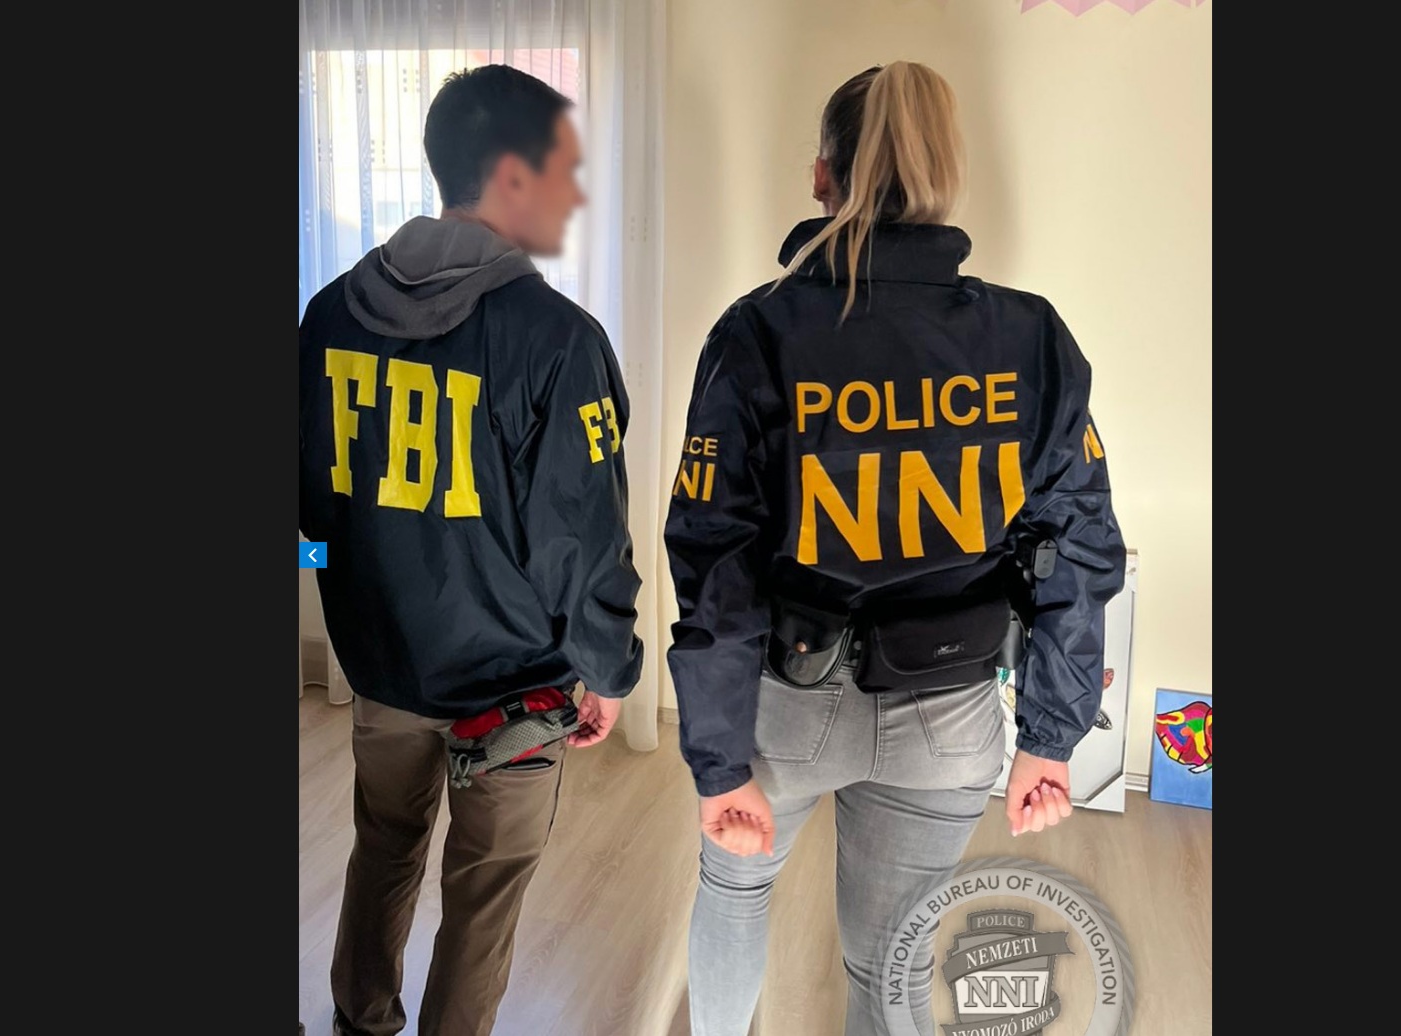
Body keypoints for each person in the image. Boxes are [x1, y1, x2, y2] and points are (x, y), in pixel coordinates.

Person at [665, 61, 1126, 1035]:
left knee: (735, 894)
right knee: (892, 957)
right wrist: (1050, 737)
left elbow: (713, 559)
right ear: (946, 180)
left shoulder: (758, 332)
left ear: (822, 177)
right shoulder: (1030, 336)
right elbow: (1078, 544)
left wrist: (717, 759)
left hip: (786, 705)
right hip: (951, 713)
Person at [299, 64, 643, 1036]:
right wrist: (609, 668)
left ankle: (359, 1021)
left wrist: (339, 587)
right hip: (516, 690)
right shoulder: (556, 339)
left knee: (384, 844)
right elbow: (581, 539)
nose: (574, 195)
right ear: (510, 177)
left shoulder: (329, 314)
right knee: (484, 891)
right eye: (563, 171)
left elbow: (311, 512)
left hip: (382, 667)